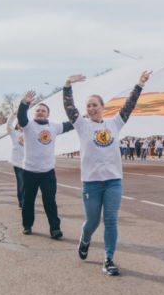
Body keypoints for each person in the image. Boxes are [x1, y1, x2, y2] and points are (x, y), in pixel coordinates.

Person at [63, 70, 152, 276]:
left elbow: (129, 106)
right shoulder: (82, 125)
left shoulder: (114, 123)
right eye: (89, 106)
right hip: (91, 183)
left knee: (110, 220)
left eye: (95, 105)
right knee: (92, 222)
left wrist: (140, 84)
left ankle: (108, 259)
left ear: (102, 108)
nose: (92, 108)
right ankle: (85, 239)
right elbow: (69, 108)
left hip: (113, 182)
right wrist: (67, 85)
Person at [17, 91, 73, 239]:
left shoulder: (53, 126)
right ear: (34, 113)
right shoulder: (28, 125)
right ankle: (27, 225)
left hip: (47, 172)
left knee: (50, 201)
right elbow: (21, 117)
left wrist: (81, 119)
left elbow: (69, 125)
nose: (40, 112)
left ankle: (55, 229)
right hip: (29, 171)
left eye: (43, 111)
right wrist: (24, 103)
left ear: (48, 114)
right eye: (38, 110)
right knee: (28, 201)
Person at [6, 112, 25, 209]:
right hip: (17, 162)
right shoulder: (15, 133)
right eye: (20, 123)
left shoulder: (29, 133)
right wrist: (12, 116)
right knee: (21, 182)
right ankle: (21, 202)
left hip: (28, 163)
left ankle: (26, 200)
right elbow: (9, 126)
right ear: (17, 125)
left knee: (28, 183)